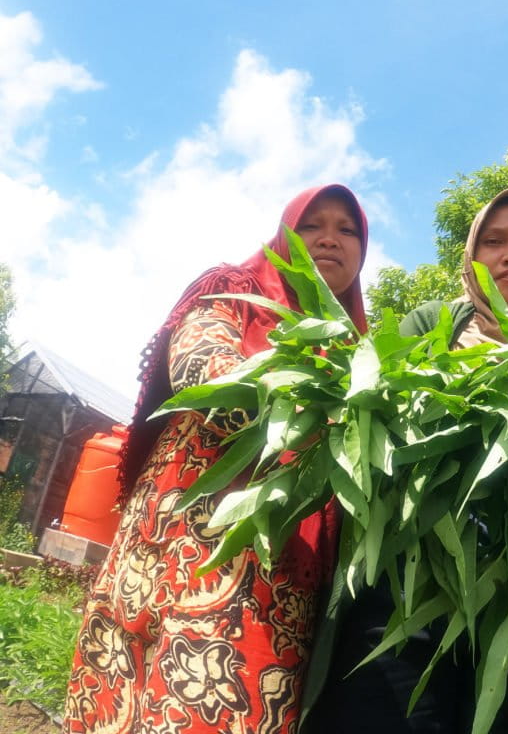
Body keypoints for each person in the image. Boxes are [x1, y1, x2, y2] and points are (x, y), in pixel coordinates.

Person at [64, 185, 370, 734]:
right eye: (312, 225)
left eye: (347, 230)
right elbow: (202, 372)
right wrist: (308, 406)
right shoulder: (235, 293)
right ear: (284, 238)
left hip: (274, 587)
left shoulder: (360, 361)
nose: (330, 239)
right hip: (171, 555)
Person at [306, 187, 508, 734]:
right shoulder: (429, 324)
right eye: (494, 241)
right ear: (471, 257)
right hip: (402, 595)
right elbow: (370, 420)